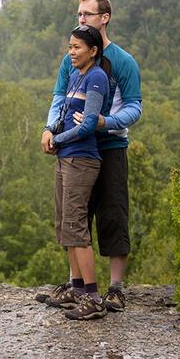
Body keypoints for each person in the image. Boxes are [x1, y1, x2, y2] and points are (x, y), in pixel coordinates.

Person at [38, 0, 142, 312]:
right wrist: (48, 129)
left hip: (109, 146)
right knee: (74, 217)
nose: (81, 18)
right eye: (78, 13)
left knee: (111, 214)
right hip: (76, 148)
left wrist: (104, 122)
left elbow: (135, 107)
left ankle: (114, 289)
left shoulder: (122, 61)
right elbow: (61, 98)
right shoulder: (73, 60)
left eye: (87, 14)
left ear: (104, 17)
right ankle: (76, 285)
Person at [42, 24, 111, 320]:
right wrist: (50, 131)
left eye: (77, 47)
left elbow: (86, 126)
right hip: (65, 158)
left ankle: (93, 298)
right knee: (65, 224)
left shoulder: (96, 77)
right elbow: (65, 116)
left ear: (93, 51)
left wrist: (57, 140)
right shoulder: (74, 76)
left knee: (77, 227)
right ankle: (77, 289)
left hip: (82, 160)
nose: (71, 52)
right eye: (70, 46)